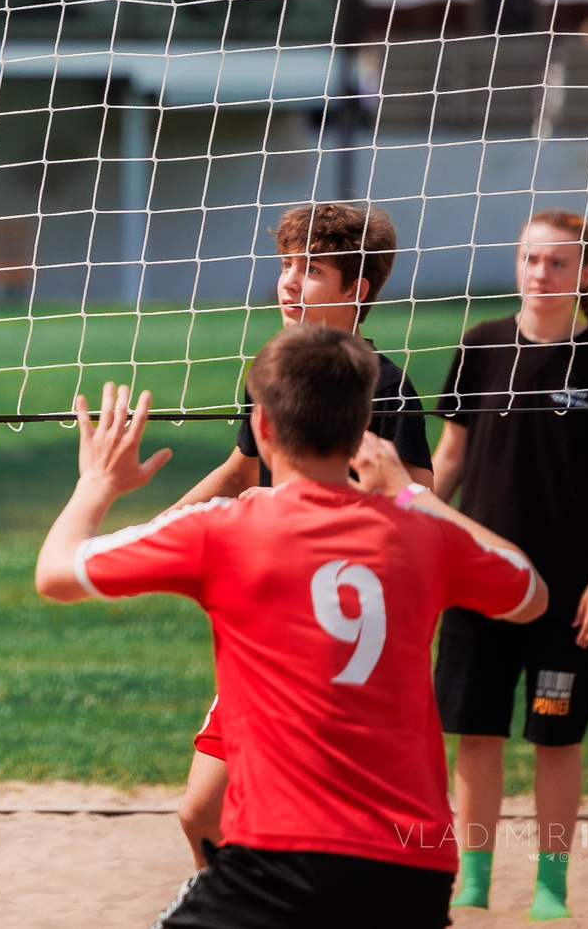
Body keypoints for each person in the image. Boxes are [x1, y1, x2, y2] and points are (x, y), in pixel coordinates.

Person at [37, 330, 547, 929]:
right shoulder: (422, 537)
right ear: (362, 432)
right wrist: (410, 495)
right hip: (416, 871)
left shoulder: (225, 529)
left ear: (263, 428)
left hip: (282, 862)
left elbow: (56, 573)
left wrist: (97, 484)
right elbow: (531, 592)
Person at [166, 201, 434, 864]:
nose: (288, 281)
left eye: (310, 268)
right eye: (286, 264)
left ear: (355, 290)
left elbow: (422, 499)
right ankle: (227, 898)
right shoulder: (272, 373)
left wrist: (377, 498)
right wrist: (165, 524)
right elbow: (239, 468)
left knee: (322, 826)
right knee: (202, 811)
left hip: (343, 638)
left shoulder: (387, 387)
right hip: (265, 629)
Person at [433, 209, 588, 921]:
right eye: (530, 259)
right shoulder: (480, 347)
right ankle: (475, 876)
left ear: (584, 273)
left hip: (566, 593)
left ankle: (552, 883)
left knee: (555, 733)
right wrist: (413, 536)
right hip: (477, 580)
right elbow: (450, 460)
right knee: (476, 731)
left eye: (557, 262)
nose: (540, 273)